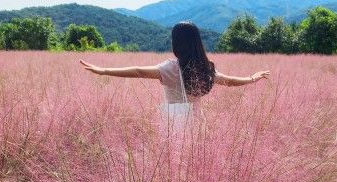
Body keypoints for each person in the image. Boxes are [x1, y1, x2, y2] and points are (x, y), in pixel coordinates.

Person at [79, 21, 270, 121]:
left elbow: (138, 71)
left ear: (176, 43)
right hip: (197, 124)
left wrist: (103, 70)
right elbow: (229, 81)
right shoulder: (205, 68)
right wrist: (252, 78)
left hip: (175, 123)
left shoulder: (170, 68)